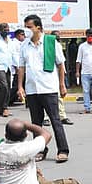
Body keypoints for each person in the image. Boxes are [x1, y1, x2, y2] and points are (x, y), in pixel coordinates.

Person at [16, 15, 70, 163]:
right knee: (36, 123)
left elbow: (60, 65)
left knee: (55, 120)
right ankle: (40, 149)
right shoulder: (24, 45)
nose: (27, 30)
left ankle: (63, 150)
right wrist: (20, 86)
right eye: (25, 27)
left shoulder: (51, 42)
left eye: (29, 27)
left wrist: (62, 85)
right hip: (32, 89)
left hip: (49, 87)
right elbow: (21, 67)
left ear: (38, 28)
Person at [9, 29, 26, 106]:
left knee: (25, 85)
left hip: (23, 68)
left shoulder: (22, 43)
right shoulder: (13, 43)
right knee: (16, 86)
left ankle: (28, 102)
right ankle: (8, 100)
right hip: (18, 68)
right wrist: (17, 67)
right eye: (22, 35)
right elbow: (14, 55)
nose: (24, 36)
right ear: (18, 35)